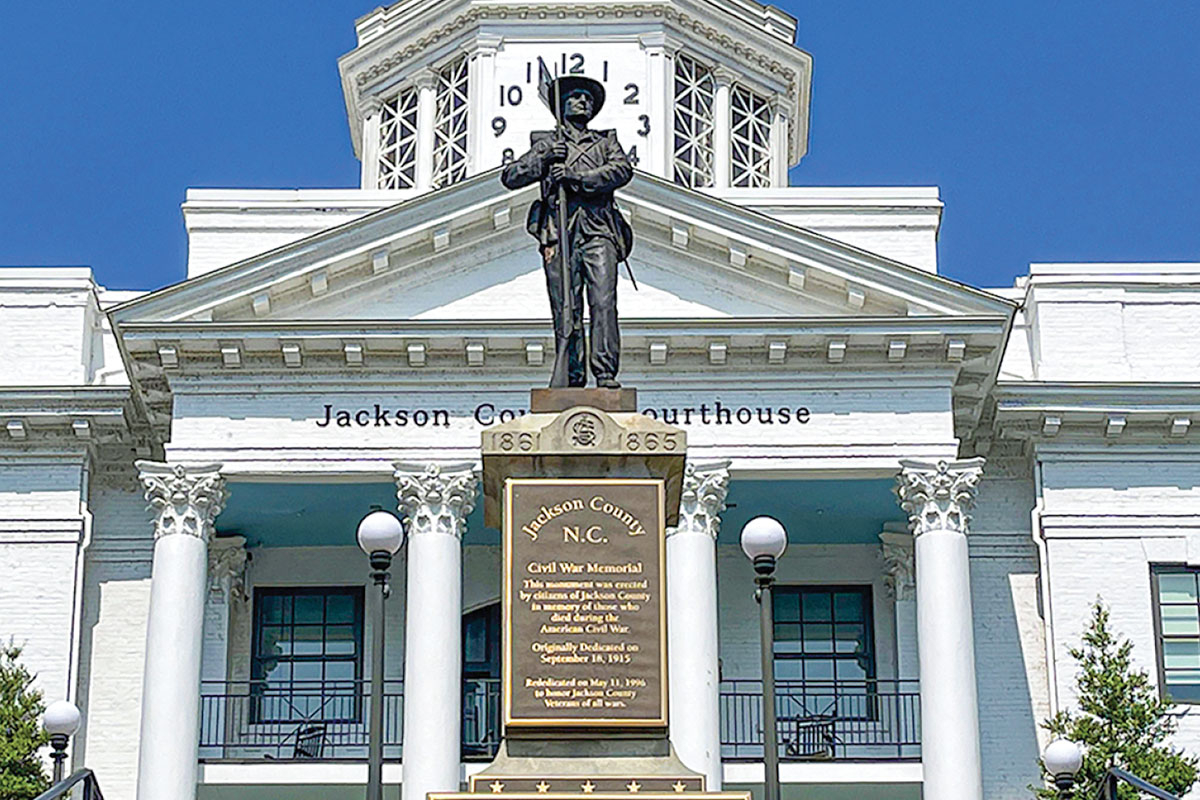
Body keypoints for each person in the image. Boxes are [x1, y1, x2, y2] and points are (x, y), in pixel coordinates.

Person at [500, 76, 634, 389]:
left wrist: (576, 176)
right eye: (575, 97)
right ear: (561, 105)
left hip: (597, 228)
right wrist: (544, 157)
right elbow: (511, 176)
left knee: (603, 299)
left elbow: (621, 170)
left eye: (588, 98)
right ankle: (573, 375)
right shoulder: (547, 144)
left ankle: (604, 372)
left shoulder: (604, 142)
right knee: (566, 305)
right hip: (559, 234)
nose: (583, 102)